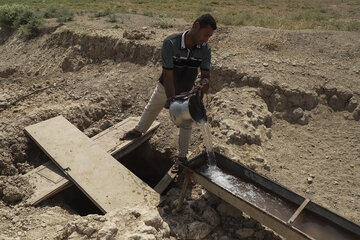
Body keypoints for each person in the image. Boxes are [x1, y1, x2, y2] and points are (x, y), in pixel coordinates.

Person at [121, 14, 216, 173]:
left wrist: (202, 85)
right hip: (166, 86)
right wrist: (171, 100)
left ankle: (181, 158)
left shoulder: (205, 50)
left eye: (210, 36)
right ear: (197, 26)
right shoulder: (170, 43)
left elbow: (206, 77)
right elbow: (168, 74)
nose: (207, 39)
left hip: (186, 90)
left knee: (186, 124)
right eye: (206, 34)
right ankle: (138, 131)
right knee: (152, 107)